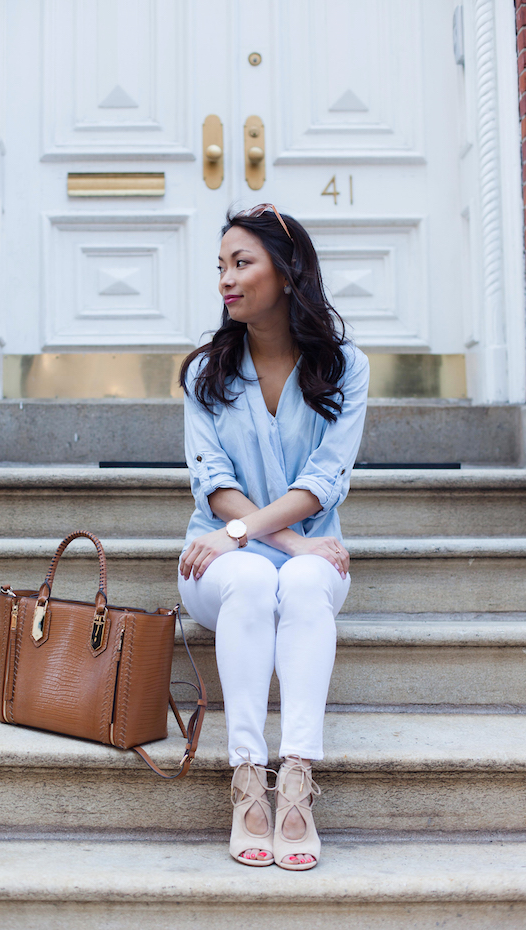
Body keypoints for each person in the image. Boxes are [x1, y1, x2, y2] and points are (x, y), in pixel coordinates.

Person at [178, 204, 369, 871]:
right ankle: (245, 782)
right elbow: (214, 483)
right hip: (216, 557)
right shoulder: (205, 373)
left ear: (287, 274)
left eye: (242, 264)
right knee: (260, 575)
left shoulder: (345, 367)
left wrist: (269, 539)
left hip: (308, 558)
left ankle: (294, 785)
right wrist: (279, 541)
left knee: (308, 580)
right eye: (221, 267)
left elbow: (325, 480)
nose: (226, 280)